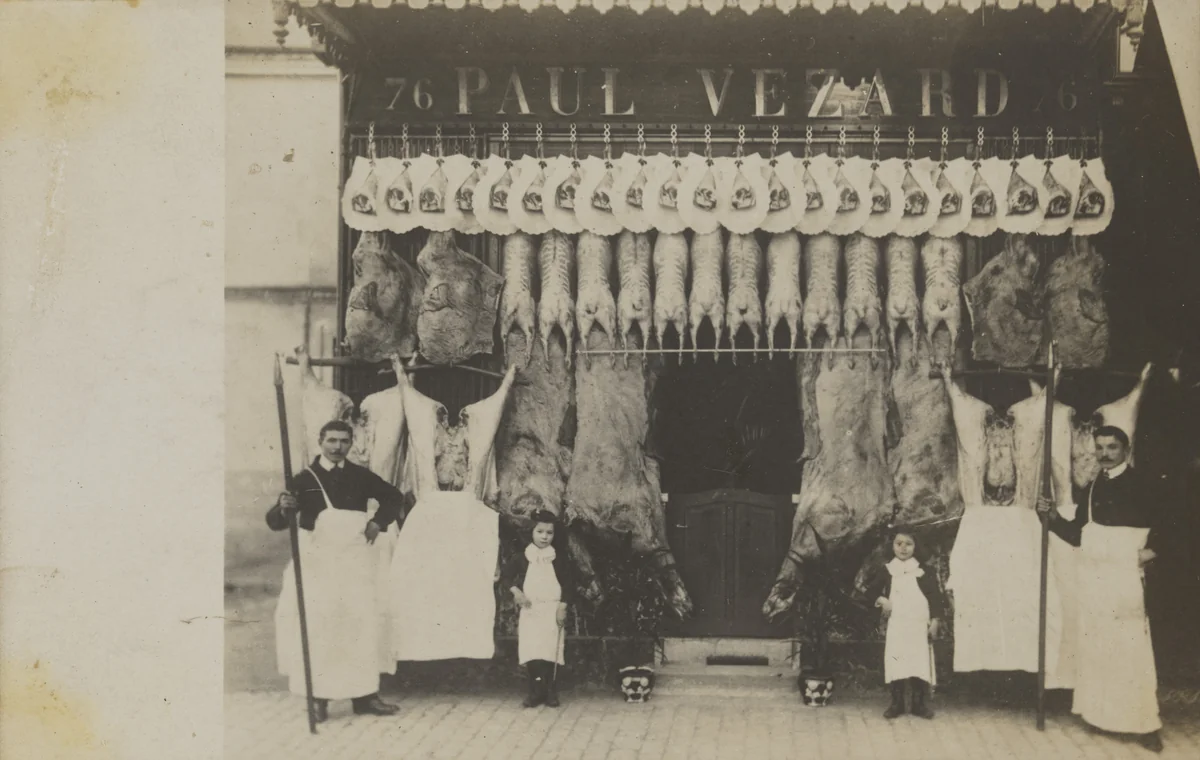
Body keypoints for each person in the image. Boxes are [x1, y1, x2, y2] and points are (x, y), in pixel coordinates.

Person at [267, 420, 405, 723]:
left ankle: (364, 696)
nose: (337, 446)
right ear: (320, 441)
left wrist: (378, 522)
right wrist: (284, 507)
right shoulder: (303, 479)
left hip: (355, 564)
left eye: (343, 441)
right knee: (320, 627)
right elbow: (276, 521)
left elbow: (394, 497)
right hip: (318, 565)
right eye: (331, 440)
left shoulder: (359, 476)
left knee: (360, 625)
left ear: (351, 443)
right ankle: (317, 699)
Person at [1037, 425, 1163, 753]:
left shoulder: (1142, 483)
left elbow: (1171, 522)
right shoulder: (1093, 485)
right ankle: (1102, 715)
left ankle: (1145, 724)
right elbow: (1080, 534)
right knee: (1098, 645)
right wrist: (1049, 517)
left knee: (1131, 647)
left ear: (1126, 449)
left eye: (1112, 448)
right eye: (1100, 448)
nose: (1105, 454)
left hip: (1123, 574)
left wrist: (1151, 551)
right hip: (1094, 576)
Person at [862, 527, 944, 720]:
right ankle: (897, 703)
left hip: (918, 625)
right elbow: (869, 592)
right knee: (897, 661)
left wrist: (935, 621)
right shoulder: (888, 571)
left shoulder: (924, 571)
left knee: (918, 662)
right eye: (899, 544)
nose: (903, 548)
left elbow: (936, 599)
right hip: (897, 624)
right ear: (892, 546)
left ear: (916, 546)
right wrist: (882, 600)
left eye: (908, 544)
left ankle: (918, 704)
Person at [501, 510, 574, 708]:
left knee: (550, 651)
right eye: (540, 531)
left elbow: (568, 584)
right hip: (531, 610)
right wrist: (517, 592)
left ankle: (550, 691)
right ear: (531, 532)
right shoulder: (523, 557)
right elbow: (506, 576)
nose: (544, 537)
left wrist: (562, 606)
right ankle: (535, 691)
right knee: (533, 650)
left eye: (549, 533)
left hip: (552, 610)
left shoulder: (558, 558)